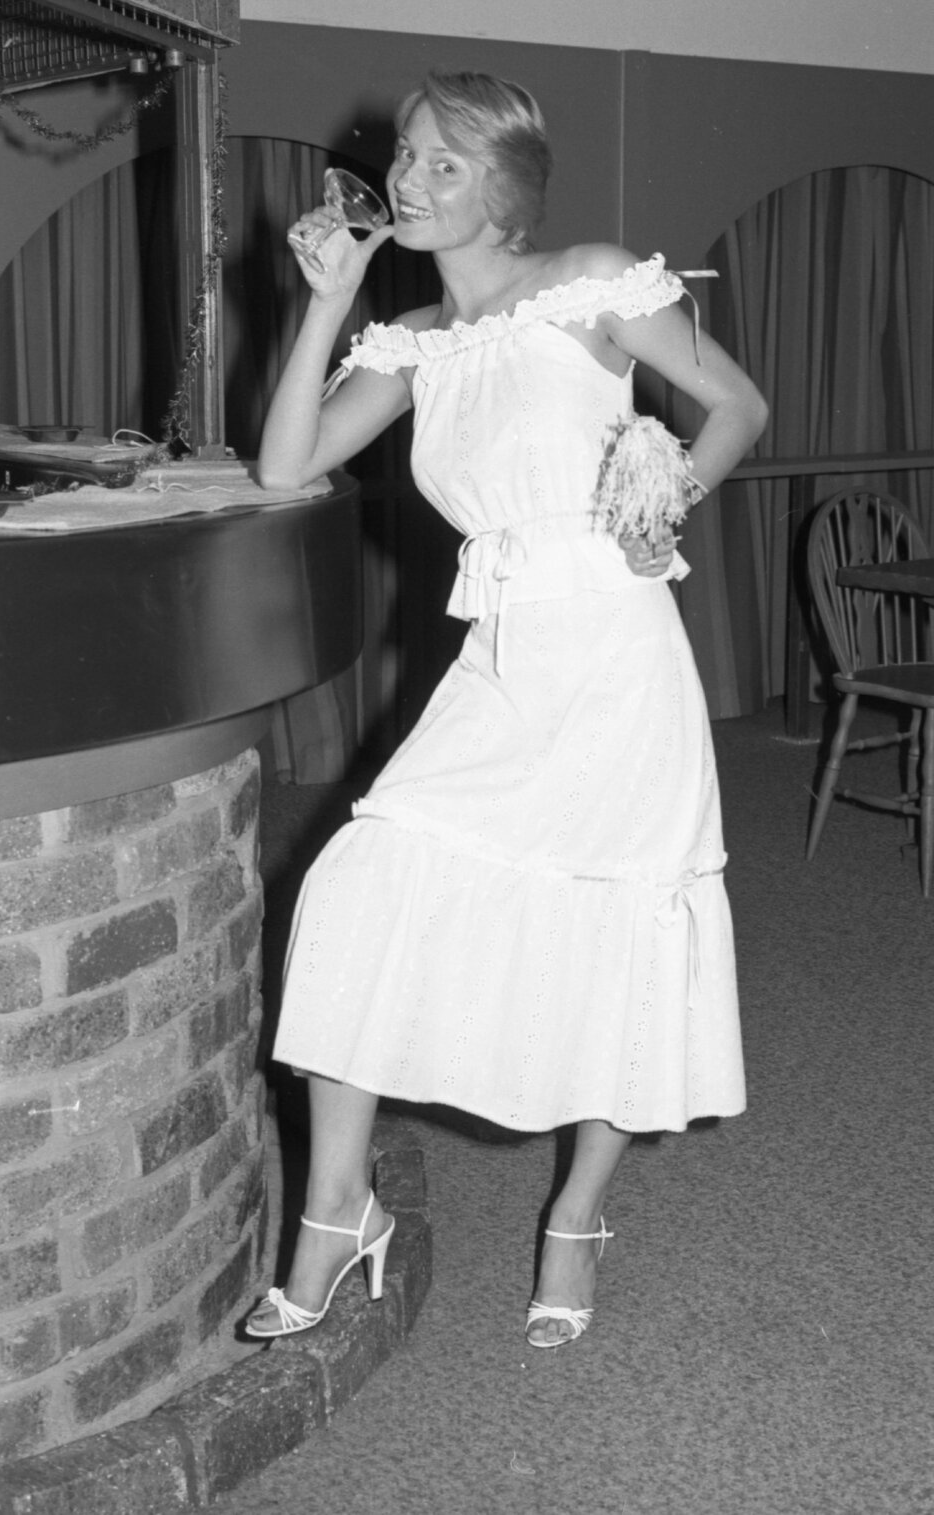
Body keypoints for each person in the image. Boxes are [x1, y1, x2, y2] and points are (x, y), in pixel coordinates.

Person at [247, 70, 768, 1350]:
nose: (408, 182)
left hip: (614, 647)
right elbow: (282, 466)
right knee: (362, 886)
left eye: (439, 163)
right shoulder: (417, 344)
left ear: (502, 188)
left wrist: (665, 497)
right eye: (404, 160)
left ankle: (578, 1216)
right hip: (501, 658)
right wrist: (326, 309)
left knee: (613, 924)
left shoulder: (590, 280)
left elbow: (740, 406)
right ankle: (334, 1214)